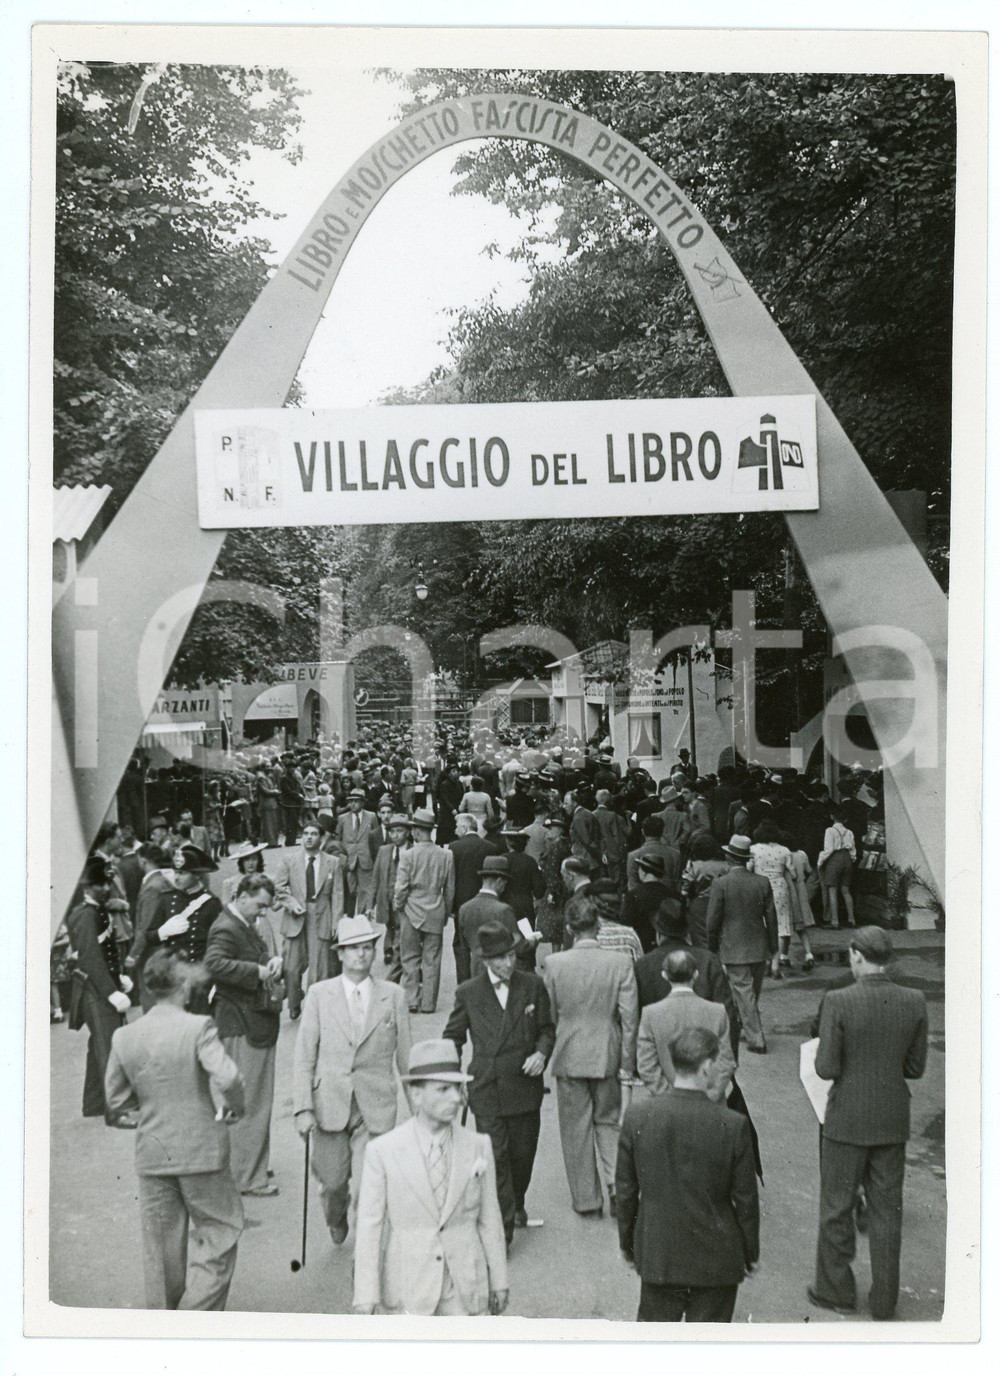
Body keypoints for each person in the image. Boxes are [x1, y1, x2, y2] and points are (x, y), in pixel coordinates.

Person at [104, 951, 246, 1309]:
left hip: (153, 1153)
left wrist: (148, 1116)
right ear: (183, 985)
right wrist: (233, 1107)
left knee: (161, 1253)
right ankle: (193, 1318)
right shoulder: (198, 1027)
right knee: (219, 1235)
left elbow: (116, 1101)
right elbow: (227, 1076)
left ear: (150, 989)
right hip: (201, 1150)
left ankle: (165, 1331)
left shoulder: (125, 1036)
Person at [809, 927, 928, 1321]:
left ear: (857, 955)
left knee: (836, 1206)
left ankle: (836, 1289)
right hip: (892, 1118)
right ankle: (885, 1300)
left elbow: (825, 1068)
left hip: (846, 1119)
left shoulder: (838, 1001)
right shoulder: (914, 1000)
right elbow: (915, 1067)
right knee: (886, 1209)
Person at [352, 1039, 509, 1316]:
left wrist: (499, 1280)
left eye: (458, 1089)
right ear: (416, 1095)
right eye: (443, 1090)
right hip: (408, 1289)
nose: (456, 1099)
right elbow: (370, 1225)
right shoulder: (383, 1152)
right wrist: (365, 1293)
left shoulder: (478, 1146)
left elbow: (489, 1217)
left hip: (465, 1287)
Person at [616, 1027, 760, 1323]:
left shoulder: (637, 1117)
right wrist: (750, 1253)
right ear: (706, 1068)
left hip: (659, 1254)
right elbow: (746, 1201)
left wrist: (628, 1245)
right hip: (717, 1260)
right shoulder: (733, 1125)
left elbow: (626, 1191)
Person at [293, 915, 412, 1246]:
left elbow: (407, 1058)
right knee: (333, 1183)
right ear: (340, 954)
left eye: (367, 948)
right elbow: (304, 1055)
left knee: (369, 1186)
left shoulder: (394, 996)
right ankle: (336, 1215)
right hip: (329, 1103)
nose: (361, 955)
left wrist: (422, 1111)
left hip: (374, 1105)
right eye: (353, 949)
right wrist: (302, 1108)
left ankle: (367, 1257)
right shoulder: (318, 995)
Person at [444, 921, 555, 1244]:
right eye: (500, 959)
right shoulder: (468, 992)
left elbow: (547, 1028)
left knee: (522, 1156)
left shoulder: (532, 985)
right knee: (496, 1160)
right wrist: (455, 1079)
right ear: (485, 961)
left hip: (524, 1084)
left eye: (511, 956)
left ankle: (517, 1201)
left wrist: (541, 1054)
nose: (508, 964)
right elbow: (452, 1038)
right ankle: (500, 1232)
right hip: (487, 1087)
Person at [544, 893, 639, 1218]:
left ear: (570, 927)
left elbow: (551, 1015)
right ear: (598, 925)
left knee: (575, 1128)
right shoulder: (621, 963)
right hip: (608, 1052)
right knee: (609, 1122)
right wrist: (627, 1064)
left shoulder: (554, 964)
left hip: (569, 1052)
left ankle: (586, 1200)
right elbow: (630, 1020)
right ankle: (616, 1185)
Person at [203, 874, 283, 1196]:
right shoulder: (226, 927)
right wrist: (258, 972)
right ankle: (248, 1178)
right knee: (251, 1101)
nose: (262, 913)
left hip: (243, 1021)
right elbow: (214, 964)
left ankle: (247, 1165)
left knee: (244, 1099)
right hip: (244, 1024)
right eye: (260, 906)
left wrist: (270, 960)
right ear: (243, 896)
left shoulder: (237, 923)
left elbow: (246, 956)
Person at [65, 856, 138, 1128]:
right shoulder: (86, 915)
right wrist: (111, 992)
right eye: (102, 884)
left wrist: (117, 976)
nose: (107, 888)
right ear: (90, 886)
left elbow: (103, 953)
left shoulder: (95, 910)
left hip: (100, 986)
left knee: (98, 1045)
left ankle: (94, 1102)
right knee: (109, 1048)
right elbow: (91, 959)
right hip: (96, 992)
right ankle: (115, 1110)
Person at [706, 835, 779, 1054]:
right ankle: (745, 1028)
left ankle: (756, 1038)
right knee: (750, 993)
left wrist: (712, 946)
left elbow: (712, 921)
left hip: (732, 946)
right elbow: (772, 917)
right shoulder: (762, 882)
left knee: (745, 993)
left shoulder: (720, 884)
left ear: (729, 857)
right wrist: (773, 946)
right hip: (759, 945)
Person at [637, 949, 735, 1100]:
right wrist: (713, 1094)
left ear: (664, 975)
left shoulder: (650, 1014)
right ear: (695, 975)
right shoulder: (717, 1011)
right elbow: (726, 1061)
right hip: (710, 1101)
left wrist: (667, 1095)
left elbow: (646, 1066)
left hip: (667, 1104)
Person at [273, 821, 344, 1020]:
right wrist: (290, 902)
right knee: (291, 966)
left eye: (314, 834)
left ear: (321, 838)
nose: (309, 837)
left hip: (321, 915)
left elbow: (338, 893)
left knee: (319, 966)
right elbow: (278, 888)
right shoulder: (289, 860)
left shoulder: (332, 862)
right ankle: (294, 1002)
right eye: (305, 834)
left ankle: (315, 1008)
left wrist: (336, 921)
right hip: (295, 916)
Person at [393, 807, 456, 1015]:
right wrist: (445, 913)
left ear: (415, 831)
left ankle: (412, 999)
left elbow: (401, 887)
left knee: (410, 957)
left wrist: (398, 906)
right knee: (432, 959)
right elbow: (449, 889)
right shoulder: (446, 855)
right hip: (435, 910)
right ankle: (429, 1003)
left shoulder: (408, 855)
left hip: (411, 910)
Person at [448, 814, 496, 984]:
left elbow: (450, 881)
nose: (454, 830)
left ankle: (464, 983)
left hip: (461, 903)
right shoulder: (490, 847)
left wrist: (450, 906)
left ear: (465, 828)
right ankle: (483, 980)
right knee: (484, 940)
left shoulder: (453, 847)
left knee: (461, 944)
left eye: (456, 826)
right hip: (486, 900)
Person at [371, 813, 412, 983]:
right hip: (387, 902)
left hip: (406, 905)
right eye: (392, 832)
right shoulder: (384, 851)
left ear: (408, 833)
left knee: (400, 940)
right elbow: (375, 878)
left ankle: (394, 977)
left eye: (399, 831)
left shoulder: (413, 851)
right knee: (394, 932)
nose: (395, 835)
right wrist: (369, 904)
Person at [621, 852, 678, 954]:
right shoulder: (673, 894)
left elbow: (626, 924)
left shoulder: (632, 895)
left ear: (643, 872)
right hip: (668, 948)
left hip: (641, 947)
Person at [334, 789, 379, 915]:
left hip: (366, 859)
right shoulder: (342, 818)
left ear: (363, 803)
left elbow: (376, 837)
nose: (352, 804)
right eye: (350, 801)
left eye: (356, 801)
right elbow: (337, 840)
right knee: (349, 890)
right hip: (348, 860)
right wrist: (341, 858)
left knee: (366, 890)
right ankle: (349, 917)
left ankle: (362, 917)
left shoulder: (371, 816)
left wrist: (374, 857)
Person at [818, 802, 857, 929]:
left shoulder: (830, 830)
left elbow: (828, 849)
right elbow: (853, 851)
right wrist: (851, 859)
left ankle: (835, 921)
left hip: (834, 858)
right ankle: (851, 919)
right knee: (846, 890)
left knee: (832, 890)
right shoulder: (850, 832)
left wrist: (820, 862)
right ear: (845, 819)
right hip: (847, 858)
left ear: (832, 816)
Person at [593, 789, 631, 889]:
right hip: (612, 854)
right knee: (616, 884)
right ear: (608, 801)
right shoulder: (612, 815)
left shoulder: (591, 815)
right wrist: (622, 853)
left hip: (596, 854)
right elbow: (617, 837)